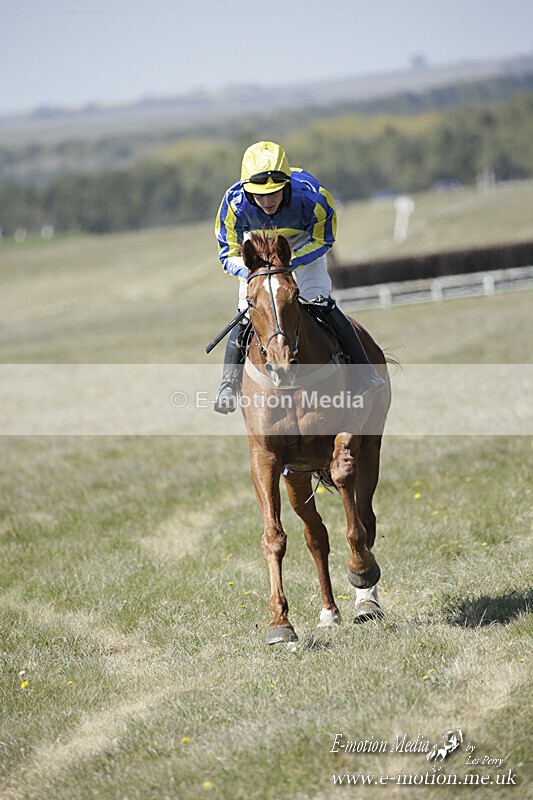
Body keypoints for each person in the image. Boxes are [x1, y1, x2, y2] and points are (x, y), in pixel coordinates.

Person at [213, 140, 385, 413]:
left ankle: (364, 372)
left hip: (301, 246)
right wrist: (257, 272)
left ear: (287, 184)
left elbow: (324, 239)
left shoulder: (315, 199)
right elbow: (228, 252)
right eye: (259, 195)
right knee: (247, 309)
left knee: (320, 301)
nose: (267, 201)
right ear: (246, 189)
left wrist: (288, 264)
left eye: (274, 193)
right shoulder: (233, 204)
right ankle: (227, 385)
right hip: (257, 250)